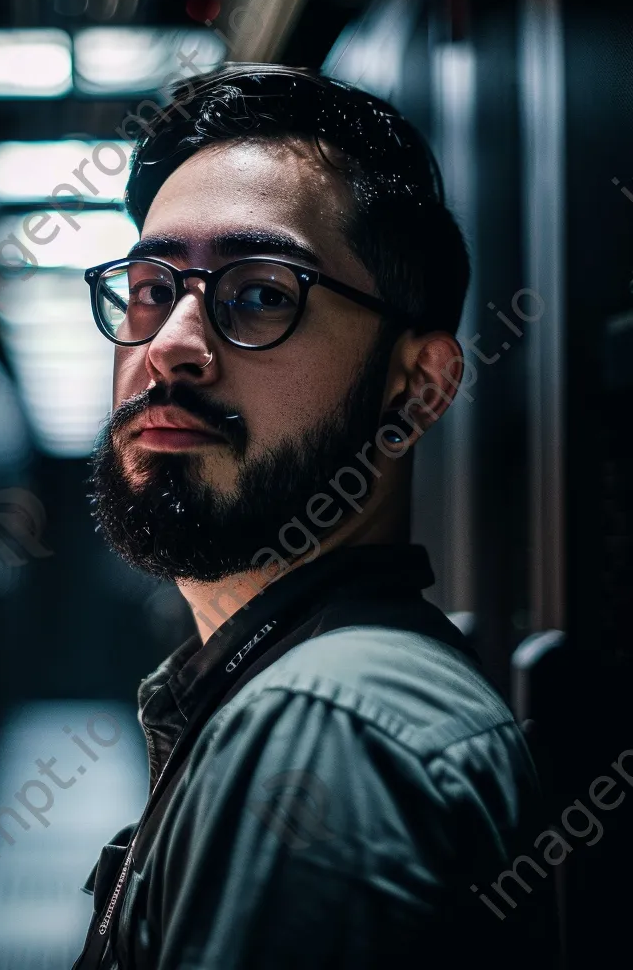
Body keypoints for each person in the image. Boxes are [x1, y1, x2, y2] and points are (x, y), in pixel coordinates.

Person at [72, 64, 558, 969]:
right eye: (151, 288)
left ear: (418, 385)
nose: (173, 346)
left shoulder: (320, 728)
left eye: (260, 293)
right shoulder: (292, 688)